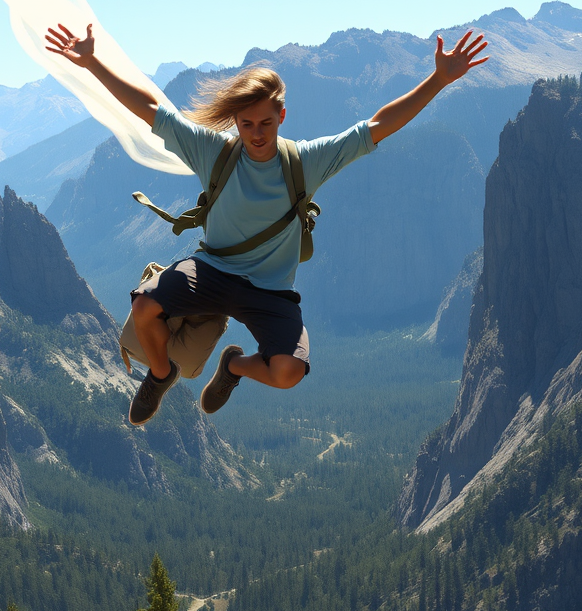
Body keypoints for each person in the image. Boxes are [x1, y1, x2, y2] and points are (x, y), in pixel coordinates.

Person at [44, 22, 488, 425]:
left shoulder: (305, 162)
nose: (256, 133)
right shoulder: (213, 151)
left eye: (266, 122)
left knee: (288, 370)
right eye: (246, 124)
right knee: (144, 307)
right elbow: (150, 109)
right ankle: (161, 376)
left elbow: (375, 126)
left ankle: (232, 366)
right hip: (212, 270)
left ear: (282, 117)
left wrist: (439, 80)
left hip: (271, 292)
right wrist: (91, 63)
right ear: (235, 123)